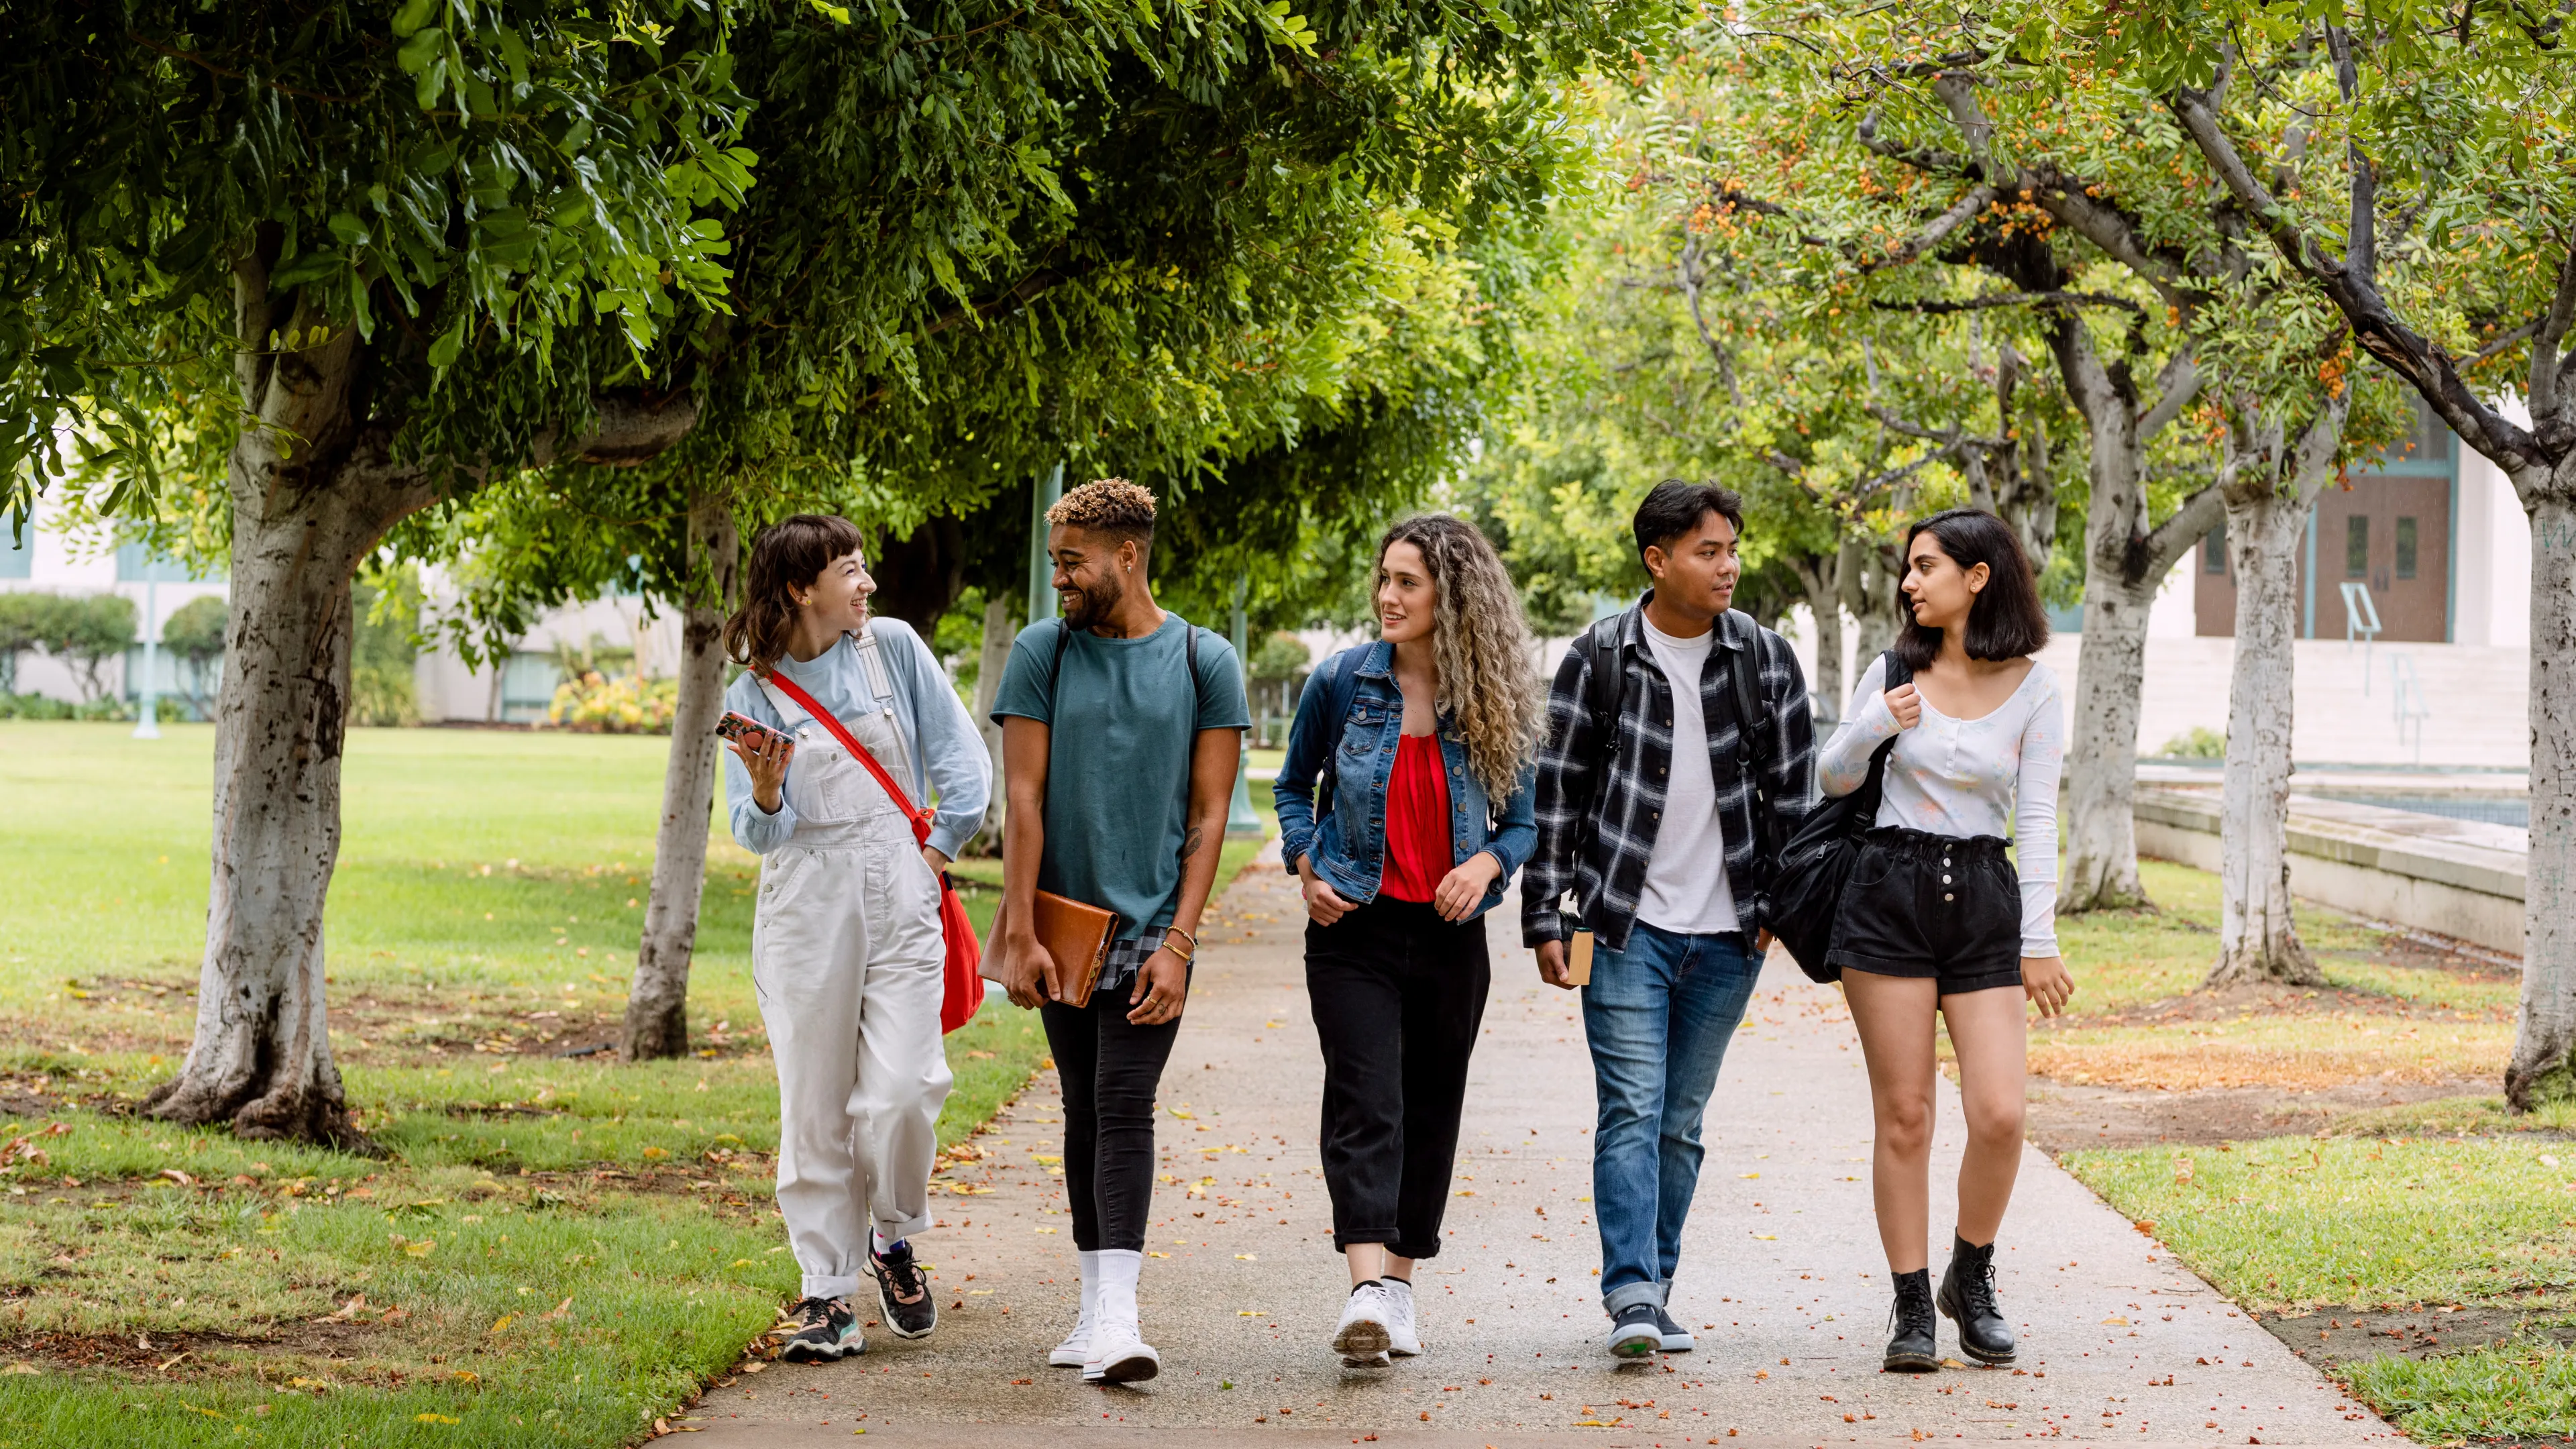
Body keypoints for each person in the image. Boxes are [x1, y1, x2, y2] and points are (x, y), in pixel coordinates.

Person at [1521, 479, 1816, 1360]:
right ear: (1658, 561)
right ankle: (1632, 1294)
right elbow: (1559, 795)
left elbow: (1797, 806)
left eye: (1732, 549)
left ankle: (1658, 1283)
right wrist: (1547, 912)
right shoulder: (1600, 656)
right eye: (1708, 551)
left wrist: (1777, 916)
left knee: (1680, 1120)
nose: (1729, 566)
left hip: (1732, 937)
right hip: (1622, 928)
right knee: (1631, 1107)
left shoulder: (1765, 659)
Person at [986, 478, 1250, 1384]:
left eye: (1073, 562)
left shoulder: (1204, 660)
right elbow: (1022, 799)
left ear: (1127, 556)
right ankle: (1095, 1308)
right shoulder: (1042, 653)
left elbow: (1212, 815)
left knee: (1125, 1105)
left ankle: (1117, 1316)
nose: (1060, 577)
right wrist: (1018, 930)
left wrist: (1180, 943)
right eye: (1055, 560)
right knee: (1082, 1108)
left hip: (1150, 930)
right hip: (1064, 921)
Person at [718, 514, 991, 1362]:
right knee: (814, 1103)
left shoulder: (894, 648)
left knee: (905, 1089)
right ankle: (825, 1293)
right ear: (802, 589)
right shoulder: (751, 694)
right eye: (850, 570)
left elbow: (964, 766)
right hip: (806, 901)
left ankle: (892, 1235)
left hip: (902, 885)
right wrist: (768, 793)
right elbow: (752, 831)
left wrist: (934, 855)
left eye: (864, 567)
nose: (867, 583)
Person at [1272, 515, 1542, 1367]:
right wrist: (1307, 864)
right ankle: (1363, 1292)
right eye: (1384, 579)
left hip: (1451, 935)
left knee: (1431, 1110)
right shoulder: (1343, 683)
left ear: (1451, 596)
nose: (1388, 597)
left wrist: (1489, 865)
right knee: (1366, 1100)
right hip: (1354, 925)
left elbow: (1527, 824)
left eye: (1408, 583)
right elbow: (1291, 790)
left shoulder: (1495, 695)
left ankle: (1398, 1290)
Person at [1814, 506, 2072, 1373]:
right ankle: (1912, 1304)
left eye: (1926, 566)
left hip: (1984, 898)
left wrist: (2040, 938)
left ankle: (1973, 1271)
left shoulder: (2036, 687)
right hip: (1889, 890)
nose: (1910, 582)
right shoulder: (1895, 668)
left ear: (1979, 577)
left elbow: (2035, 818)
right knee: (1907, 1115)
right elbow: (1834, 775)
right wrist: (1882, 721)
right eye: (1908, 568)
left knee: (2000, 1111)